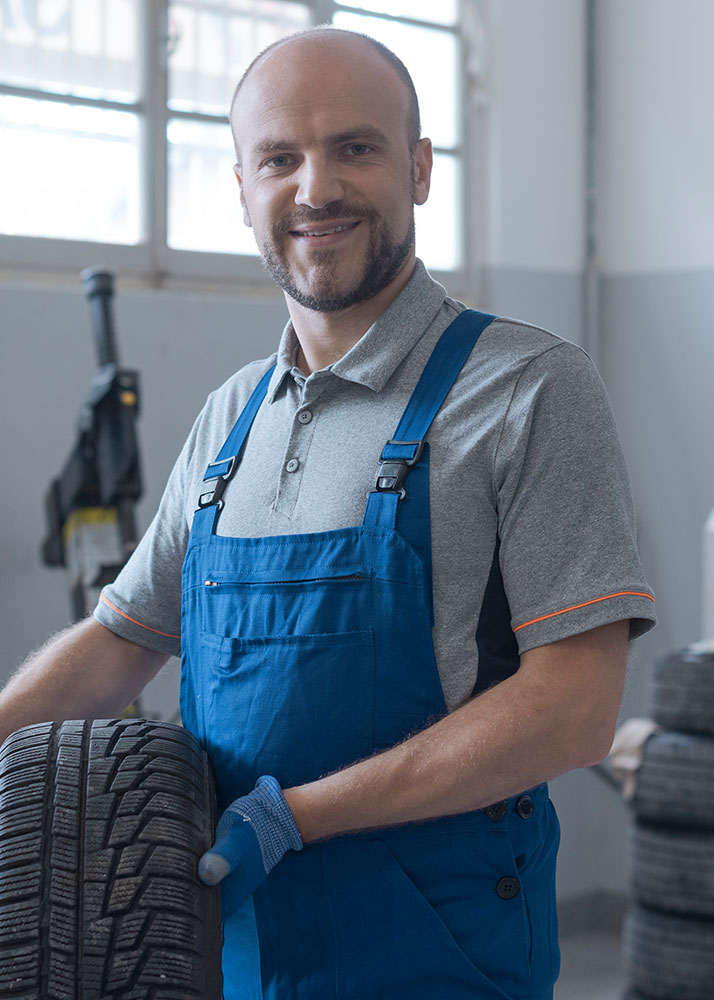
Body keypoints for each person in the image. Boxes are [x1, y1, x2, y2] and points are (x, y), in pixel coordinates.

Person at [0, 25, 655, 1000]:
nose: (315, 190)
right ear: (242, 189)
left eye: (356, 147)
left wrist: (299, 816)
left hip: (442, 961)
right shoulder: (230, 419)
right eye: (279, 158)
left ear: (421, 169)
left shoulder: (526, 388)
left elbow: (574, 709)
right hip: (230, 957)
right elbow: (117, 640)